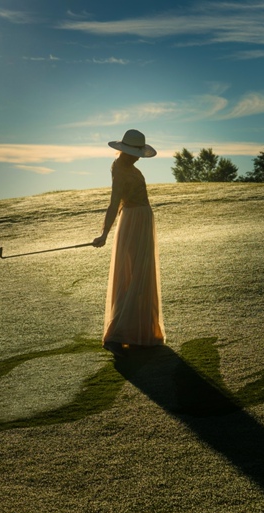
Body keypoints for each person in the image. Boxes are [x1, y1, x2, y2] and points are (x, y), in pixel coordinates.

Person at [93, 129, 165, 356]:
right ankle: (117, 335)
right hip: (133, 221)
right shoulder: (120, 170)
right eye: (135, 153)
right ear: (125, 151)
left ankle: (138, 332)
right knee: (132, 275)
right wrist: (104, 233)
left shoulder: (131, 168)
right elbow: (114, 203)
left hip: (142, 220)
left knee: (141, 275)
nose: (138, 158)